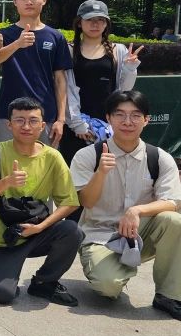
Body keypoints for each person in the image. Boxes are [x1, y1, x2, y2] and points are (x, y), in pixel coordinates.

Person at [70, 90, 181, 320]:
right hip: (100, 235)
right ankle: (116, 267)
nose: (127, 122)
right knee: (108, 287)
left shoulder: (159, 158)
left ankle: (168, 295)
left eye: (135, 115)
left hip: (139, 232)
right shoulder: (88, 155)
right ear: (108, 118)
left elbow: (172, 202)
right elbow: (85, 202)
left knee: (174, 221)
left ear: (146, 120)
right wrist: (101, 173)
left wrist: (136, 210)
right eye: (120, 114)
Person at [0, 97, 81, 306]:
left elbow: (70, 202)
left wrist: (40, 227)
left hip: (36, 233)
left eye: (33, 121)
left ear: (42, 126)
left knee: (72, 231)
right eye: (19, 120)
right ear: (9, 125)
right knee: (3, 294)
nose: (26, 126)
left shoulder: (53, 156)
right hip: (3, 239)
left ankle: (44, 282)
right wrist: (7, 182)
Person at [0, 0, 72, 145]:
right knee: (6, 160)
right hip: (8, 114)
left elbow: (60, 79)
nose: (29, 2)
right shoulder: (5, 34)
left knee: (45, 160)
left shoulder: (56, 36)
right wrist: (17, 44)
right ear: (15, 2)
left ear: (44, 0)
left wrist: (61, 119)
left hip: (45, 115)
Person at [59, 0, 141, 165]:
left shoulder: (118, 50)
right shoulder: (68, 50)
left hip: (109, 124)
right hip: (76, 125)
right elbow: (65, 89)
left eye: (100, 20)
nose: (95, 24)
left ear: (106, 24)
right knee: (76, 171)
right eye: (90, 19)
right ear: (80, 23)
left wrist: (130, 68)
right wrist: (77, 124)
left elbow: (124, 89)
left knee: (108, 171)